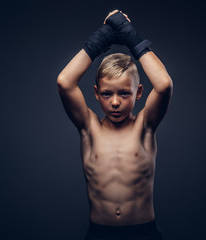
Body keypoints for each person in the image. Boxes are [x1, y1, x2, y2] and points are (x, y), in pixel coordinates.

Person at [57, 9, 173, 240]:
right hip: (100, 233)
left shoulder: (145, 127)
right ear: (96, 94)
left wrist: (129, 35)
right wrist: (106, 34)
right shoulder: (90, 128)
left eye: (124, 93)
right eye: (107, 94)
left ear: (138, 92)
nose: (116, 102)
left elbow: (164, 84)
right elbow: (64, 81)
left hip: (144, 233)